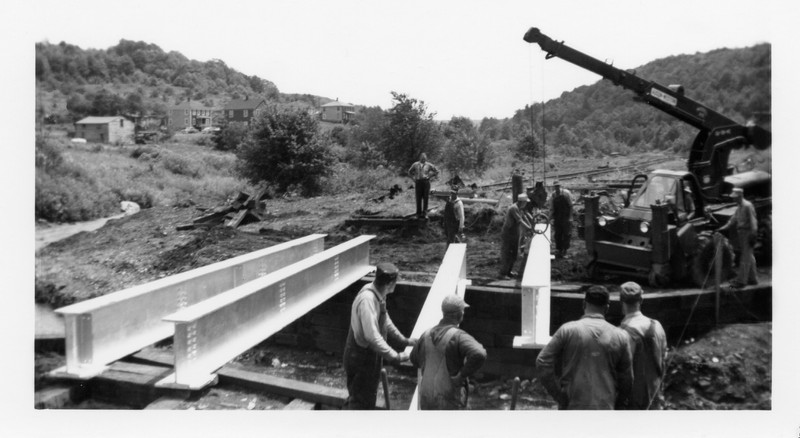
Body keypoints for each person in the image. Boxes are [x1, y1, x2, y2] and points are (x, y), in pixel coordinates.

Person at [535, 285, 633, 410]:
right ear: (607, 308)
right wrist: (618, 403)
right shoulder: (621, 336)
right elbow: (627, 379)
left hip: (573, 407)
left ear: (584, 304)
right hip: (605, 408)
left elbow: (542, 362)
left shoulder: (567, 330)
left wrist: (559, 396)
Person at [343, 262, 416, 409]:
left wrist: (403, 340)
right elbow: (372, 336)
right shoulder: (367, 300)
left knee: (366, 396)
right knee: (360, 401)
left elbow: (384, 319)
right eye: (396, 281)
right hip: (360, 357)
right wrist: (395, 357)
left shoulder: (379, 293)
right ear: (389, 283)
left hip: (369, 356)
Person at [410, 294, 487, 410]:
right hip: (449, 401)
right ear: (459, 314)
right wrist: (461, 375)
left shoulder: (426, 335)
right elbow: (480, 353)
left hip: (426, 399)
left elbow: (413, 359)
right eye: (463, 310)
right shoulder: (459, 336)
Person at [618, 281, 668, 410]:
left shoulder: (621, 333)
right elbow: (663, 359)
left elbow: (621, 372)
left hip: (633, 402)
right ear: (641, 299)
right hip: (655, 396)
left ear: (621, 301)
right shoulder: (657, 325)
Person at [717, 188, 758, 288]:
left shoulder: (748, 206)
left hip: (747, 232)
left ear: (739, 196)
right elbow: (732, 220)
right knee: (749, 256)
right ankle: (753, 279)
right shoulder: (739, 207)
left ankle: (741, 281)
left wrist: (753, 234)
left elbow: (753, 222)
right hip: (741, 232)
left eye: (735, 198)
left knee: (745, 257)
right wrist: (722, 228)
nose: (733, 199)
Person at [499, 194, 532, 279]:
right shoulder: (514, 208)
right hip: (508, 234)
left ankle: (509, 272)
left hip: (515, 233)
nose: (526, 204)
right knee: (507, 253)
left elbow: (525, 217)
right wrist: (529, 228)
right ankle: (502, 274)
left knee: (513, 253)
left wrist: (531, 225)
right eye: (525, 202)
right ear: (522, 202)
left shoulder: (520, 208)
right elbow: (520, 220)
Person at [408, 153, 439, 219]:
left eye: (424, 158)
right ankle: (418, 214)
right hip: (418, 182)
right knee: (418, 198)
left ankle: (425, 213)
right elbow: (409, 172)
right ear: (420, 158)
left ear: (426, 158)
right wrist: (413, 179)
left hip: (426, 182)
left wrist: (430, 176)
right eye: (422, 158)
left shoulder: (429, 165)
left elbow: (436, 171)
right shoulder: (415, 164)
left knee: (426, 197)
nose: (423, 159)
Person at [548, 180, 573, 258]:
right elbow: (552, 208)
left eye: (558, 186)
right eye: (556, 186)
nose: (557, 188)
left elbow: (571, 206)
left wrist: (570, 217)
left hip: (566, 217)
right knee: (558, 234)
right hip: (557, 217)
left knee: (566, 233)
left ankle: (565, 249)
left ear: (560, 186)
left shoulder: (566, 193)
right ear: (554, 187)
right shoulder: (553, 195)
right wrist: (549, 218)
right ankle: (559, 249)